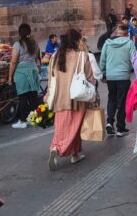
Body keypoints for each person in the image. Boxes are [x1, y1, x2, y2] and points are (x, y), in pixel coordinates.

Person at [47, 29, 95, 170]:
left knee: (61, 126)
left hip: (60, 98)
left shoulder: (54, 56)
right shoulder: (82, 56)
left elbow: (51, 79)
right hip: (78, 97)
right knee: (75, 127)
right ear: (76, 41)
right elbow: (90, 78)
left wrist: (48, 95)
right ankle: (58, 148)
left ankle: (72, 153)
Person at [99, 25, 135, 137]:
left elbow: (102, 60)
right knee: (122, 101)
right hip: (123, 76)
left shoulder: (107, 43)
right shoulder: (129, 43)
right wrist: (131, 69)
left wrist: (104, 73)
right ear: (127, 34)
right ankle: (120, 127)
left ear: (117, 33)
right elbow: (133, 59)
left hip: (110, 76)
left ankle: (110, 122)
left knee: (112, 99)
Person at [8, 24, 41, 129]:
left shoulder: (18, 44)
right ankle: (34, 119)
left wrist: (10, 77)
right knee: (33, 96)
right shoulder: (35, 43)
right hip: (33, 70)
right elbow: (38, 58)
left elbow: (13, 61)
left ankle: (22, 121)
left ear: (19, 32)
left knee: (23, 97)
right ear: (29, 32)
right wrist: (38, 68)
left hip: (22, 72)